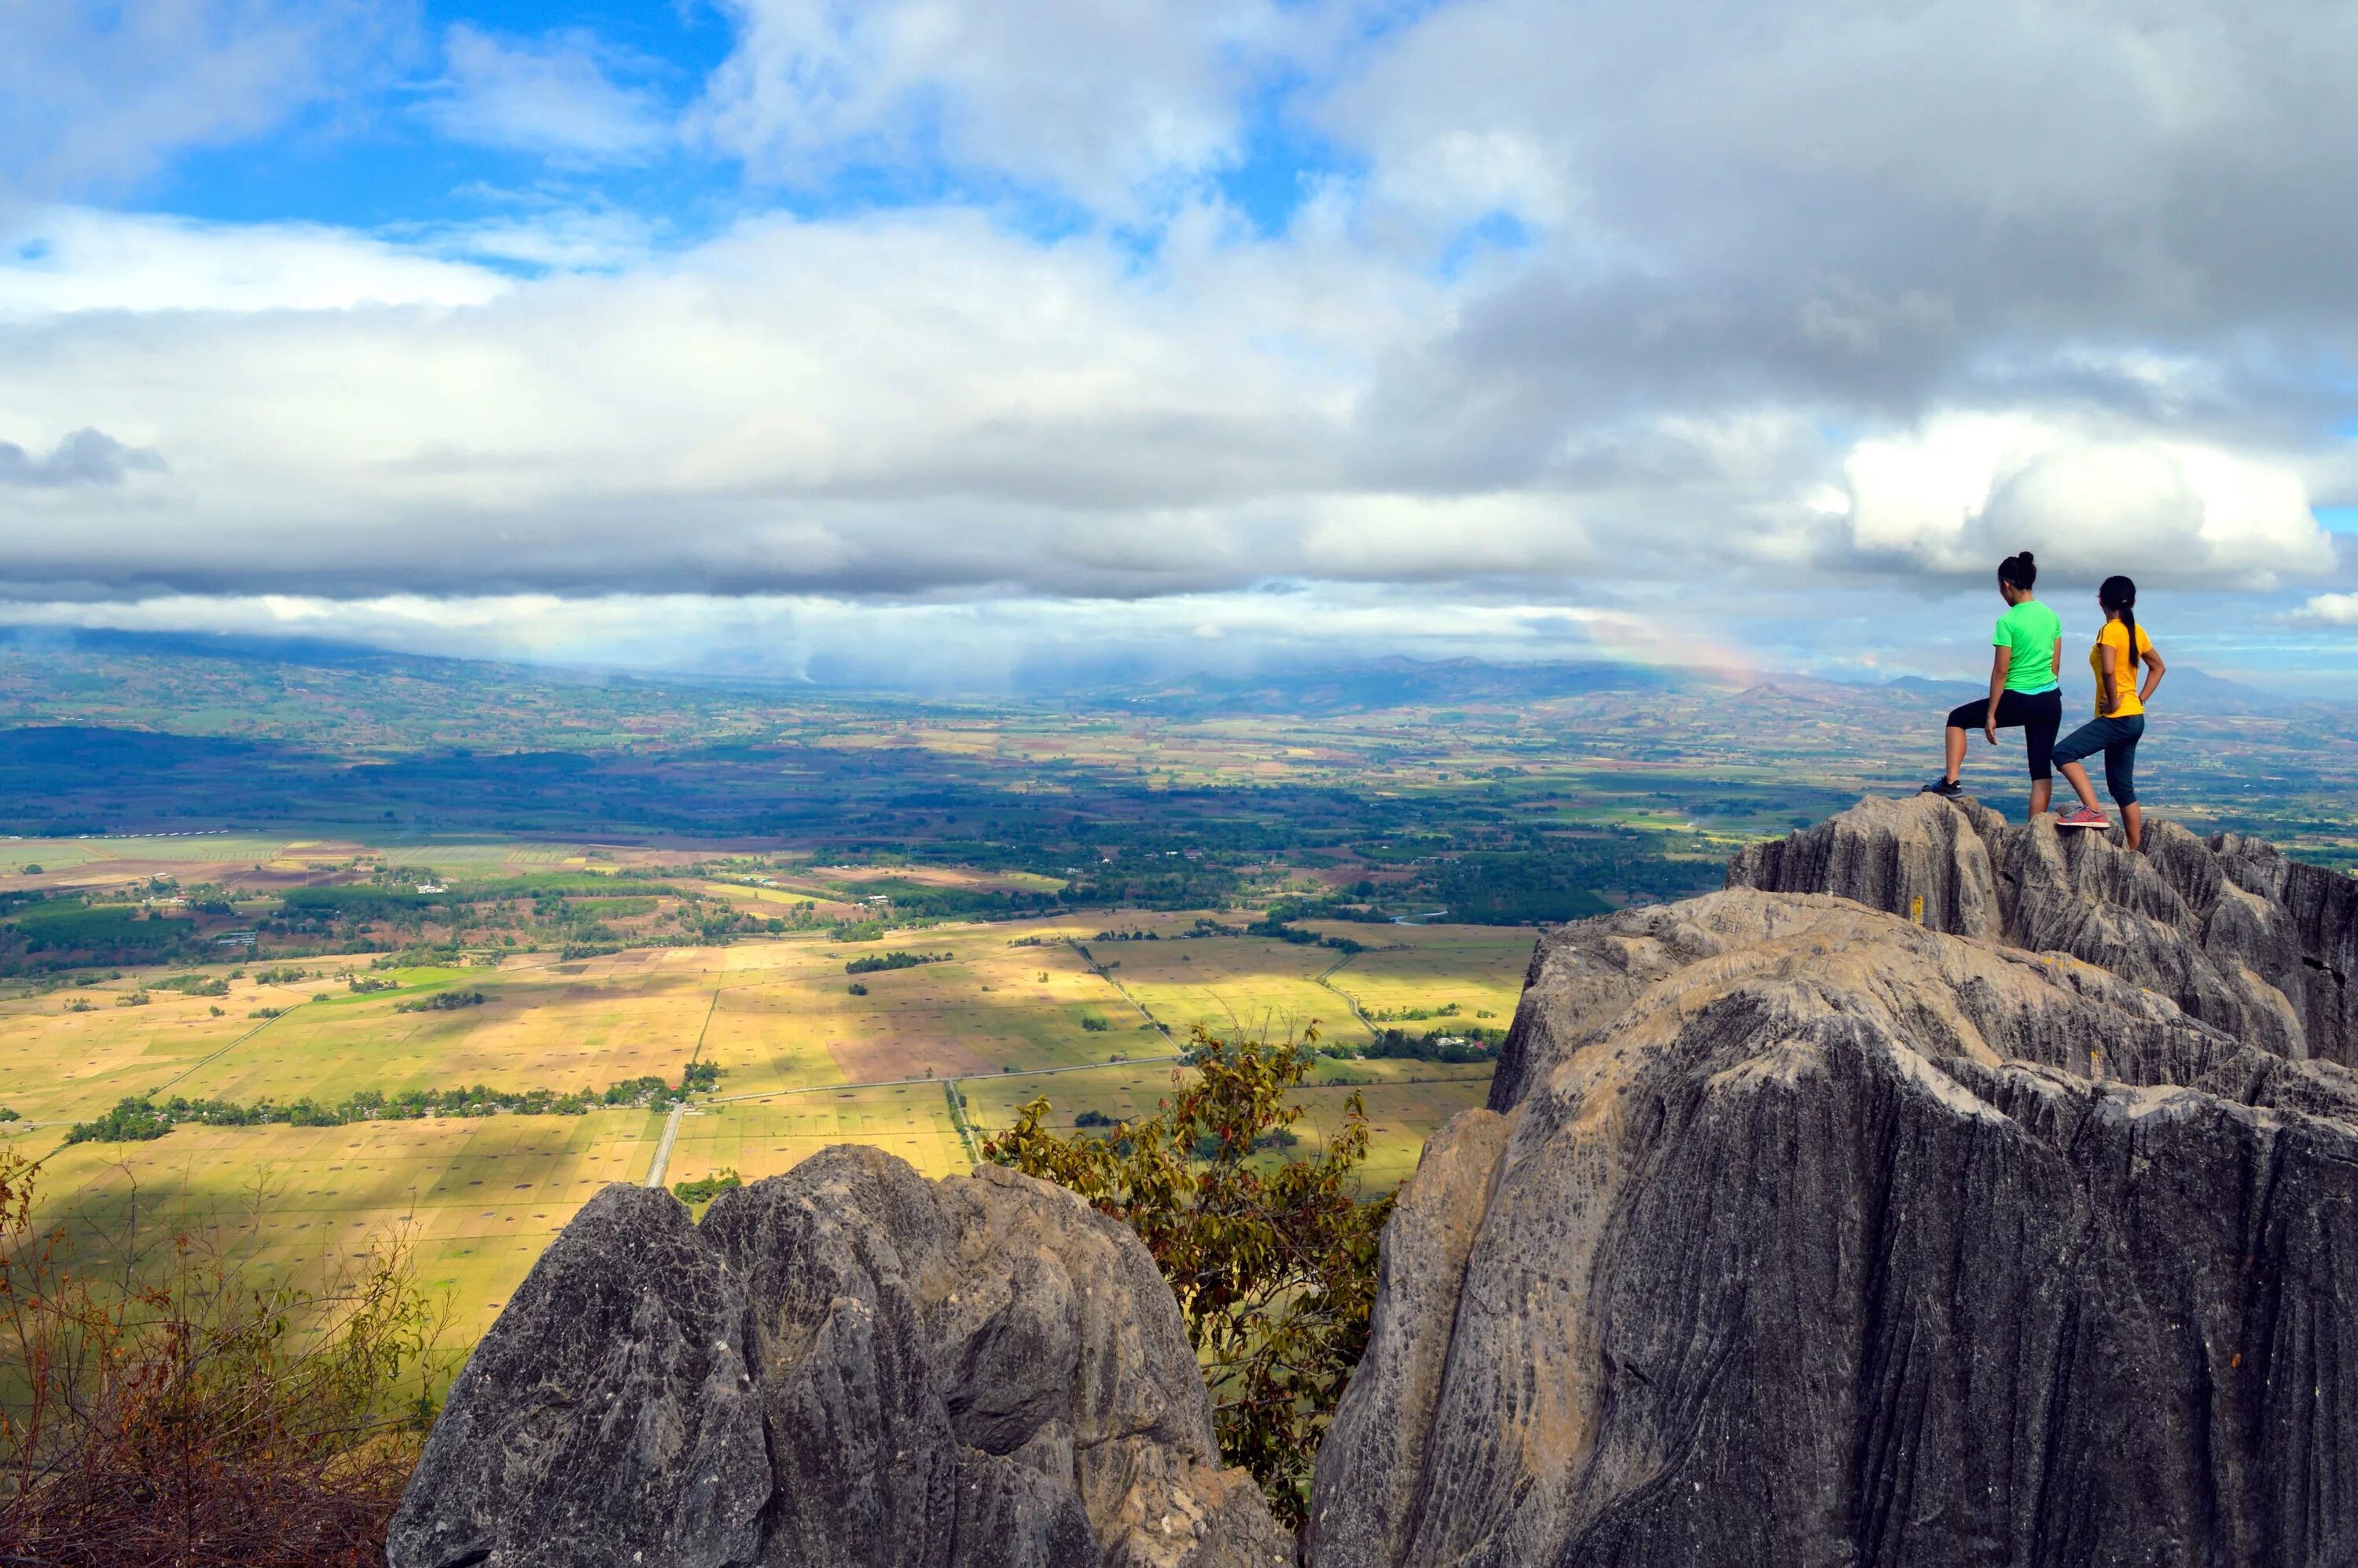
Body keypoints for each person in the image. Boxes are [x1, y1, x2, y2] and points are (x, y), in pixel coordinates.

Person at [1923, 551, 2062, 817]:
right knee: (2040, 771)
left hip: (2019, 698)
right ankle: (2037, 830)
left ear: (2006, 584)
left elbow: (2001, 671)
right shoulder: (2051, 616)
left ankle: (1951, 782)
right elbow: (2055, 665)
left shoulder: (2007, 621)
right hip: (2050, 700)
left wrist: (1991, 713)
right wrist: (2046, 692)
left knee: (1957, 719)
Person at [2053, 575, 2164, 847]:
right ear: (2132, 602)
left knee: (2062, 753)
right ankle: (2135, 853)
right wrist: (2140, 699)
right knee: (2122, 789)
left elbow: (2109, 670)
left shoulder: (2110, 631)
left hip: (2118, 718)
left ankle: (2092, 810)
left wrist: (2114, 703)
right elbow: (2158, 667)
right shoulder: (2136, 631)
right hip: (2134, 717)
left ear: (2101, 601)